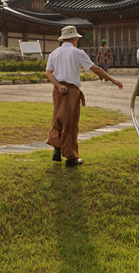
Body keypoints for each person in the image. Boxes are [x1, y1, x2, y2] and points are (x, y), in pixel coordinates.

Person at [46, 25, 122, 167]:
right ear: (74, 38)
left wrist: (58, 86)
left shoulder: (54, 53)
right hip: (70, 91)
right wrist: (113, 80)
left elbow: (48, 73)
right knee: (70, 123)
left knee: (58, 119)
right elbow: (95, 68)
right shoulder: (77, 52)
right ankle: (71, 157)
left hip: (57, 90)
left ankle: (57, 147)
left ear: (63, 39)